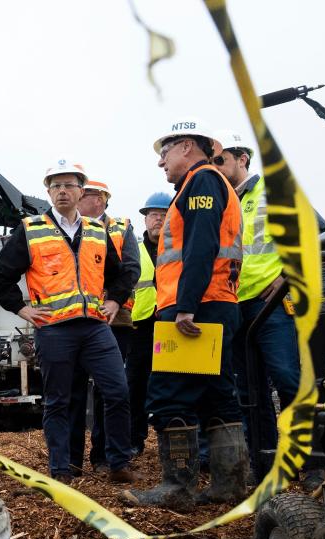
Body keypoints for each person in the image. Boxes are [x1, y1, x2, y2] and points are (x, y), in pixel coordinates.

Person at [0, 159, 138, 484]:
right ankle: (60, 470)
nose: (62, 191)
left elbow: (121, 273)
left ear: (82, 190)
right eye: (55, 186)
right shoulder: (31, 230)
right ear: (48, 191)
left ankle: (118, 462)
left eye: (69, 185)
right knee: (58, 401)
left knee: (118, 390)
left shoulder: (98, 231)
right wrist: (22, 309)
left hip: (96, 327)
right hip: (54, 330)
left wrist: (114, 300)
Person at [122, 118, 247, 510]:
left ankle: (177, 487)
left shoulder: (201, 182)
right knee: (216, 394)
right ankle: (229, 485)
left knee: (169, 395)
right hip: (216, 303)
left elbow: (200, 246)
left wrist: (187, 305)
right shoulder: (211, 183)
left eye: (165, 152)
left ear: (187, 147)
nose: (162, 162)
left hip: (195, 308)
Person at [212, 130, 300, 461]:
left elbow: (316, 235)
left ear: (242, 158)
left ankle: (308, 461)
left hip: (271, 305)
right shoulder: (219, 201)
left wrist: (288, 275)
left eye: (220, 160)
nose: (215, 166)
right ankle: (265, 461)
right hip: (233, 306)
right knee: (249, 391)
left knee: (288, 380)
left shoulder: (274, 191)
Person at [68, 179, 141, 475]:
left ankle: (104, 457)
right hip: (73, 320)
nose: (76, 198)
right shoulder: (66, 229)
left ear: (99, 200)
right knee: (72, 391)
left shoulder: (120, 228)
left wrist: (112, 301)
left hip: (114, 320)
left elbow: (131, 269)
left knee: (109, 391)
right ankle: (71, 461)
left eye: (83, 194)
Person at [124, 192, 173, 457]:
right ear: (145, 220)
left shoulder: (179, 247)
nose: (158, 220)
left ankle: (172, 438)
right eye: (154, 215)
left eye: (164, 215)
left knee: (170, 384)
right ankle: (135, 440)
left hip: (171, 324)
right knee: (136, 386)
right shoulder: (134, 250)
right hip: (140, 327)